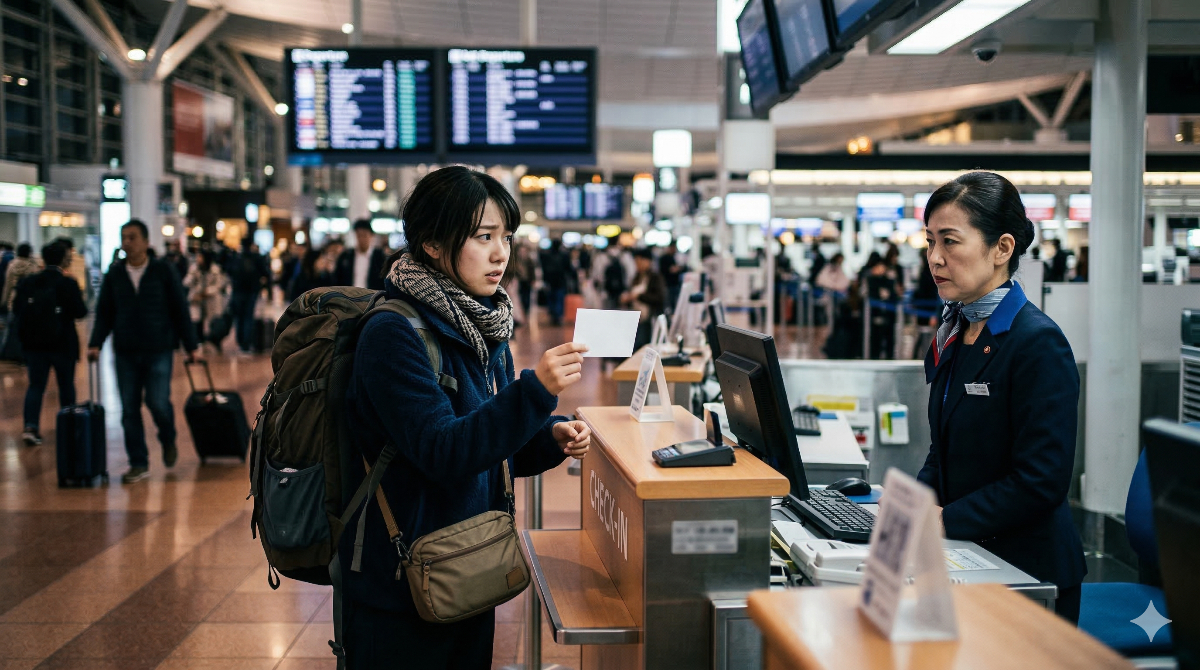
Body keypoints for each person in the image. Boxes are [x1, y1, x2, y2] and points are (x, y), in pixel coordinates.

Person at [340, 166, 591, 669]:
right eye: (483, 237)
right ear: (432, 244)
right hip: (401, 579)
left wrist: (548, 437)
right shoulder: (394, 333)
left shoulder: (481, 322)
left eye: (507, 237)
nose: (501, 253)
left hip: (468, 564)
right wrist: (534, 392)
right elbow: (443, 451)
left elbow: (487, 442)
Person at [918, 171, 1085, 624]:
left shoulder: (1036, 343)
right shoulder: (957, 329)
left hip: (1027, 574)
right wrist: (910, 507)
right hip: (967, 560)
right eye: (929, 241)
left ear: (1002, 249)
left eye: (949, 242)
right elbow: (945, 448)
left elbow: (1040, 481)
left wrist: (944, 520)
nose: (934, 258)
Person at [88, 220, 200, 484]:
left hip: (158, 348)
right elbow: (104, 312)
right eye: (124, 238)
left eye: (132, 238)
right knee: (129, 409)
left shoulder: (163, 270)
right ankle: (138, 462)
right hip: (125, 350)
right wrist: (95, 342)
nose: (126, 243)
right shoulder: (115, 273)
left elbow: (179, 309)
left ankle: (168, 437)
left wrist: (192, 345)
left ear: (146, 242)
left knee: (158, 402)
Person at [15, 242, 87, 446]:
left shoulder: (29, 282)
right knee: (66, 385)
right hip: (63, 343)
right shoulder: (67, 283)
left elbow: (17, 309)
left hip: (34, 345)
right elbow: (80, 312)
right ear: (64, 259)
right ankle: (69, 425)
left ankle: (30, 426)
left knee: (36, 385)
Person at [225, 237, 270, 354]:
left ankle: (240, 342)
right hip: (252, 291)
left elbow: (228, 270)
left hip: (238, 290)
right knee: (248, 317)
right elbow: (265, 272)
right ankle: (246, 344)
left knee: (239, 317)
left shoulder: (236, 257)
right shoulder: (256, 257)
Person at [622, 248, 667, 350]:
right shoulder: (636, 277)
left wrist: (639, 297)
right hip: (637, 319)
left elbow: (659, 297)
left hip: (649, 320)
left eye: (639, 262)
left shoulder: (655, 277)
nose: (637, 265)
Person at [183, 250, 228, 348]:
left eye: (200, 257)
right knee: (197, 320)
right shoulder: (195, 269)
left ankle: (214, 339)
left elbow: (218, 285)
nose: (198, 259)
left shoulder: (215, 270)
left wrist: (206, 292)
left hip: (210, 299)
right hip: (197, 298)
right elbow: (187, 282)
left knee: (213, 321)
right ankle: (199, 341)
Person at [336, 219, 387, 289]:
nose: (362, 239)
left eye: (365, 235)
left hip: (372, 297)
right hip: (349, 297)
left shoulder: (380, 257)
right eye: (359, 235)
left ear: (371, 236)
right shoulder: (346, 256)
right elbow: (338, 279)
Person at [539, 239, 570, 326]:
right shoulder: (564, 255)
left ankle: (553, 315)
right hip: (560, 281)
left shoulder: (546, 255)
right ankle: (558, 316)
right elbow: (568, 268)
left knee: (551, 298)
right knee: (559, 298)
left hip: (550, 281)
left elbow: (544, 268)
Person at [3, 243, 40, 312]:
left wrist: (4, 300)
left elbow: (8, 284)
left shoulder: (12, 264)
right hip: (29, 298)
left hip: (14, 297)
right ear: (29, 253)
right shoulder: (32, 266)